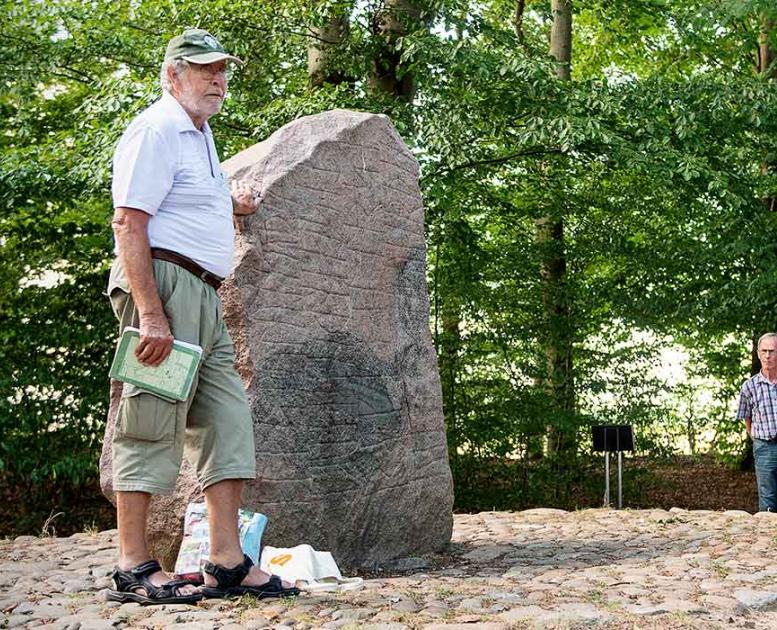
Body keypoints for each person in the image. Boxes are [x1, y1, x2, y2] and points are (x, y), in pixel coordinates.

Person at [106, 28, 298, 604]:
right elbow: (129, 224)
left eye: (222, 71)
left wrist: (231, 202)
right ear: (172, 75)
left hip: (205, 295)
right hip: (163, 288)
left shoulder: (199, 132)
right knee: (151, 419)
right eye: (204, 70)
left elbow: (186, 197)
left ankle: (227, 561)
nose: (217, 80)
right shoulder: (157, 129)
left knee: (228, 422)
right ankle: (133, 567)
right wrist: (151, 314)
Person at [737, 332, 777, 512]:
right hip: (764, 447)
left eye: (772, 351)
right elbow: (746, 416)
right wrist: (755, 437)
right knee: (768, 499)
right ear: (758, 353)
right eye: (764, 351)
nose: (768, 355)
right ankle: (769, 539)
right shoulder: (749, 386)